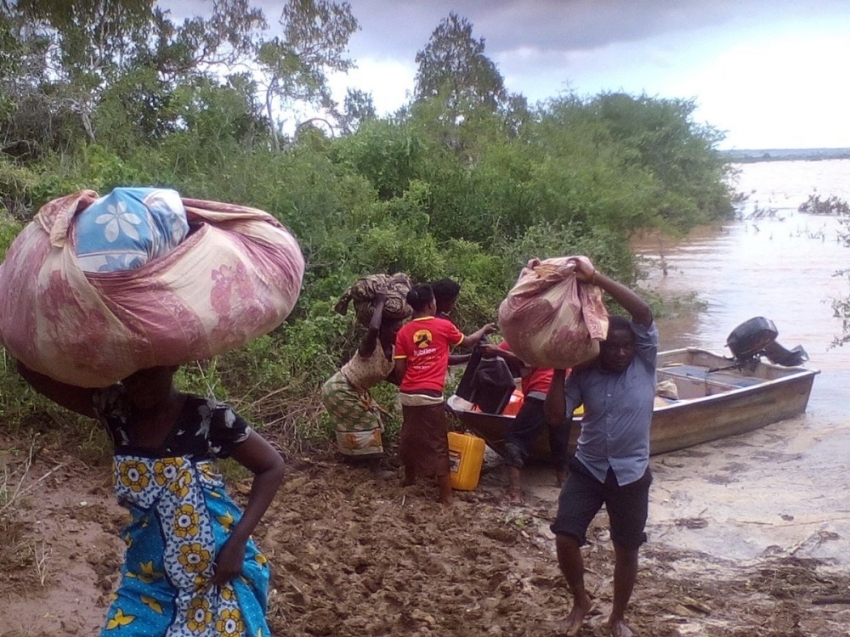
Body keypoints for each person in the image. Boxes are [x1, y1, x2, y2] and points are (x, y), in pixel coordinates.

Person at [16, 362, 285, 637]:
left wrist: (237, 544)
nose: (138, 385)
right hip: (147, 582)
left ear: (172, 364)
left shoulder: (206, 416)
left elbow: (271, 466)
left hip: (217, 577)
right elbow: (30, 369)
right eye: (130, 375)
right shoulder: (115, 411)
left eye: (149, 374)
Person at [544, 259, 656, 637]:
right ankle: (581, 599)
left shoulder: (645, 363)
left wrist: (596, 280)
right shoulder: (584, 373)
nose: (621, 353)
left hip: (632, 472)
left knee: (626, 548)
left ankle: (618, 617)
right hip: (589, 468)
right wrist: (559, 366)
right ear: (599, 346)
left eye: (627, 347)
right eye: (613, 347)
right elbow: (557, 418)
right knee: (565, 535)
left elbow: (642, 311)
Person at [394, 284, 495, 504]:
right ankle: (446, 496)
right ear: (431, 304)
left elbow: (400, 370)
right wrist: (484, 330)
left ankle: (409, 478)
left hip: (409, 395)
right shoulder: (443, 326)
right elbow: (467, 341)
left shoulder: (403, 332)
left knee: (410, 437)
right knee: (438, 443)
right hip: (430, 395)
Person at [480, 340, 567, 504]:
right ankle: (563, 483)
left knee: (514, 441)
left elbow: (527, 361)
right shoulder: (562, 338)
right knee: (559, 442)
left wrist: (497, 352)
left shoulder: (530, 338)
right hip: (565, 395)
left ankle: (515, 493)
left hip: (541, 393)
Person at [322, 289, 403, 461]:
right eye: (396, 330)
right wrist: (380, 302)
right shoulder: (371, 346)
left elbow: (397, 379)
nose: (399, 334)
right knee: (369, 424)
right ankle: (374, 467)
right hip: (340, 388)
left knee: (376, 423)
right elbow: (373, 328)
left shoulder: (394, 353)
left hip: (357, 391)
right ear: (384, 330)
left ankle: (353, 459)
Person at [431, 277, 471, 366]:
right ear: (443, 301)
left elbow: (443, 358)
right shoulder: (441, 324)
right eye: (452, 301)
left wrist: (471, 357)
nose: (453, 305)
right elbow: (467, 343)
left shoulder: (421, 319)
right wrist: (484, 329)